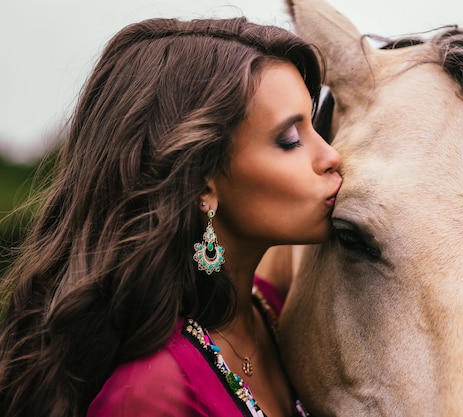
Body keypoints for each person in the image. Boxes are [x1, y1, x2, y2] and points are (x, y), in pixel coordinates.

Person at [0, 15, 342, 417]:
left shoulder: (279, 314)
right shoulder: (152, 394)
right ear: (201, 183)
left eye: (317, 128)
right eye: (290, 140)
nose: (331, 156)